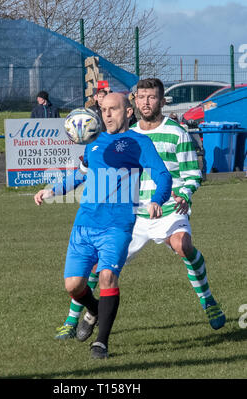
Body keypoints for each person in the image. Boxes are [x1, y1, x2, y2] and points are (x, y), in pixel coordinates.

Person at [55, 78, 226, 342]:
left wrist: (184, 194)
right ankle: (74, 319)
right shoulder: (124, 135)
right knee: (98, 268)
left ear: (161, 101)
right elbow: (90, 170)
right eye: (142, 97)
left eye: (152, 97)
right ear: (134, 103)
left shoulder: (177, 133)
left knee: (183, 245)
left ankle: (208, 300)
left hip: (167, 209)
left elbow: (193, 174)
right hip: (131, 214)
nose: (146, 102)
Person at [34, 92, 172, 359]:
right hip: (84, 224)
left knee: (108, 276)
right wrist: (53, 191)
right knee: (73, 286)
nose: (107, 115)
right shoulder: (93, 143)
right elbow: (80, 175)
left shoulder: (139, 143)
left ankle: (101, 343)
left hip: (117, 226)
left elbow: (162, 174)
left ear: (128, 112)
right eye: (103, 109)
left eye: (113, 109)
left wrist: (157, 199)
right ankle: (95, 309)